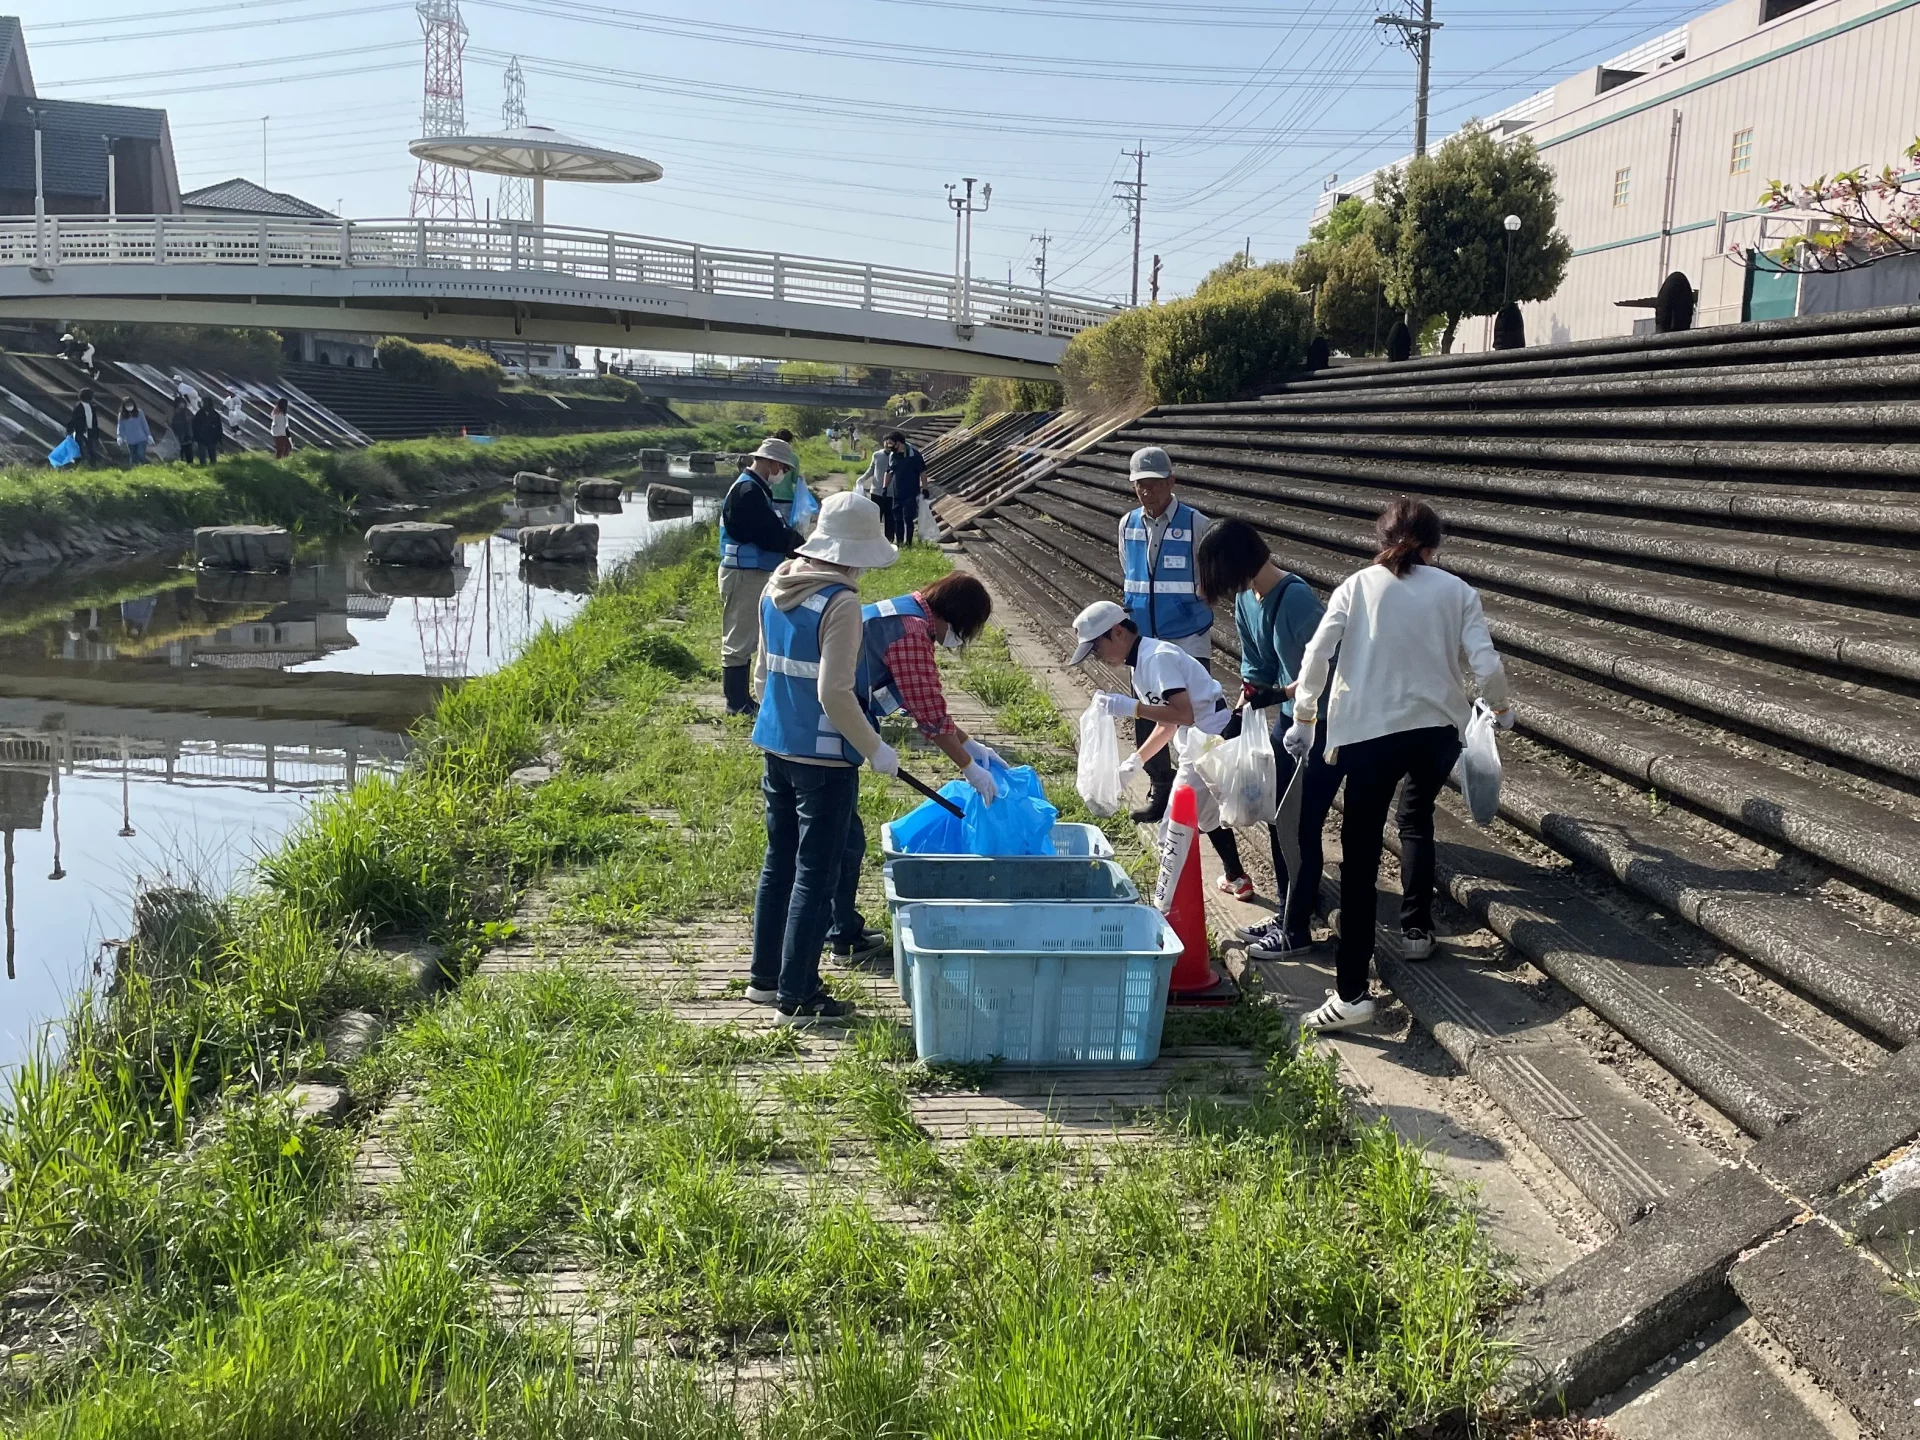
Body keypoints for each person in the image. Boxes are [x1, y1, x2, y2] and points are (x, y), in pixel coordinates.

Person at [1286, 498, 1514, 1034]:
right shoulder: (1458, 591)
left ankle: (1352, 993)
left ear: (1381, 538)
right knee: (1416, 818)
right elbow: (1486, 663)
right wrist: (1500, 710)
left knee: (1362, 856)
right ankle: (1415, 931)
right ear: (1435, 544)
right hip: (1437, 731)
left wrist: (1303, 715)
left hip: (1369, 734)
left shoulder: (1357, 586)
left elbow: (1317, 656)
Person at [747, 489, 900, 1026]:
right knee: (817, 870)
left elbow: (763, 670)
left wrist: (774, 723)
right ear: (854, 550)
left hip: (775, 743)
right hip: (825, 758)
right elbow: (835, 693)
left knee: (779, 862)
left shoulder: (778, 583)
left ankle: (765, 980)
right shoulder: (841, 602)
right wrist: (875, 748)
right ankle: (800, 994)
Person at [1196, 518, 1340, 959]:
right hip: (1284, 721)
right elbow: (1255, 668)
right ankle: (1287, 910)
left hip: (1323, 726)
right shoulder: (1247, 598)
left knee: (1300, 827)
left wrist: (1286, 694)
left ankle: (1296, 930)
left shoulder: (1295, 598)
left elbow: (1330, 666)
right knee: (1281, 822)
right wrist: (1240, 710)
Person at [1069, 599, 1246, 889]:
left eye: (1096, 648)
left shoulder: (1155, 658)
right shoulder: (1141, 663)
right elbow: (1169, 724)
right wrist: (1135, 762)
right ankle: (1236, 877)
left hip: (1210, 740)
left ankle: (1170, 902)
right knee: (1207, 815)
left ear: (1117, 632)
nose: (1098, 657)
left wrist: (1132, 708)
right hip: (1198, 739)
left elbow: (1182, 713)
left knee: (1171, 829)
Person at [1115, 447, 1216, 829]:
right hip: (1144, 640)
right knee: (1147, 712)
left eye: (1154, 484)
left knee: (1195, 716)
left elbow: (1209, 580)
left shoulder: (1196, 524)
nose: (1147, 492)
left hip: (1187, 638)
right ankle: (1160, 786)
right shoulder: (1127, 525)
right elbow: (1130, 572)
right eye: (1140, 485)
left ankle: (1205, 788)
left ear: (1172, 483)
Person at [718, 437, 806, 717]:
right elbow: (765, 533)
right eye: (781, 466)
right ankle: (736, 702)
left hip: (751, 572)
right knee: (739, 639)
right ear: (768, 462)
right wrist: (796, 545)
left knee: (747, 637)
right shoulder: (748, 492)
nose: (782, 472)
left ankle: (742, 700)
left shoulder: (756, 488)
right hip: (744, 573)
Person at [883, 430, 926, 547]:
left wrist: (925, 488)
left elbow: (922, 472)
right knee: (897, 518)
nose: (890, 446)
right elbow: (889, 472)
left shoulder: (914, 455)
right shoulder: (893, 455)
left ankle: (909, 542)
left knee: (908, 518)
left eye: (891, 443)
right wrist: (885, 487)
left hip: (911, 493)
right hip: (897, 493)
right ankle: (900, 542)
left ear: (898, 443)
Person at [858, 442, 895, 542]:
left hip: (891, 492)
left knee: (890, 518)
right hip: (876, 491)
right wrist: (862, 479)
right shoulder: (877, 455)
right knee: (875, 517)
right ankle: (873, 539)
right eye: (886, 442)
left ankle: (889, 540)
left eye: (890, 442)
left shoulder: (896, 456)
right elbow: (871, 469)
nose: (888, 444)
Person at [65, 388, 103, 468]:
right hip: (80, 431)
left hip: (90, 431)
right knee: (79, 449)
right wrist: (70, 429)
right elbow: (74, 419)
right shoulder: (78, 406)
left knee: (91, 449)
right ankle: (78, 466)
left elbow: (94, 420)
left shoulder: (91, 407)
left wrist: (96, 431)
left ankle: (92, 465)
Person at [116, 397, 152, 467]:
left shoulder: (139, 412)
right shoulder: (122, 415)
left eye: (130, 404)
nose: (129, 407)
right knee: (133, 456)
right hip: (130, 440)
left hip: (141, 438)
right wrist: (119, 436)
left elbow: (144, 424)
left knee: (140, 454)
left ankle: (144, 466)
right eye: (127, 405)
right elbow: (120, 427)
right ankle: (134, 470)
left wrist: (148, 435)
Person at [191, 396, 223, 465]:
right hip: (201, 437)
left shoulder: (215, 414)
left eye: (202, 402)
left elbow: (219, 427)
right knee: (202, 455)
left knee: (212, 454)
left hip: (212, 437)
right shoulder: (199, 414)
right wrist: (195, 437)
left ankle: (213, 465)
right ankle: (203, 466)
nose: (201, 403)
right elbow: (194, 425)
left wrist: (219, 438)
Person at [168, 392, 195, 465]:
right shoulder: (173, 412)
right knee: (179, 451)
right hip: (177, 434)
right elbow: (170, 421)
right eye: (181, 403)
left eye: (183, 403)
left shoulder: (186, 411)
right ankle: (180, 463)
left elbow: (191, 420)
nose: (182, 405)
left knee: (188, 450)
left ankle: (190, 463)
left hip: (187, 434)